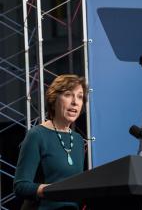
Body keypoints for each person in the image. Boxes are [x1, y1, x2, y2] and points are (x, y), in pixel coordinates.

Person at [14, 74, 88, 210]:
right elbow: (20, 186)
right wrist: (52, 190)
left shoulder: (78, 140)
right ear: (54, 99)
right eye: (68, 95)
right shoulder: (37, 135)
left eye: (80, 96)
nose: (75, 102)